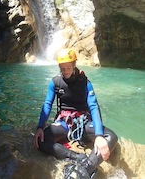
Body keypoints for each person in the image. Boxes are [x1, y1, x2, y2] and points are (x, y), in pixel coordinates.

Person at [34, 49, 117, 178]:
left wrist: (99, 135)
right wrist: (40, 127)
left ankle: (87, 167)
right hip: (64, 123)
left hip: (84, 123)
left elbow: (94, 106)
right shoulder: (55, 82)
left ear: (74, 64)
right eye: (62, 68)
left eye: (68, 67)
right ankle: (77, 157)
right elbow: (47, 105)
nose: (65, 71)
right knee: (41, 139)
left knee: (111, 137)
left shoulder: (85, 82)